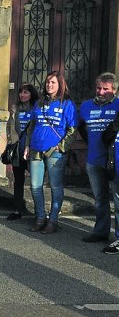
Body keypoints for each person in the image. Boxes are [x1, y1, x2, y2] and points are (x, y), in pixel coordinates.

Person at [24, 71, 77, 235]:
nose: (49, 85)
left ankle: (53, 221)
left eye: (53, 82)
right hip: (36, 149)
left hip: (55, 152)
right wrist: (27, 145)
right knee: (35, 186)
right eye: (47, 82)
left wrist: (61, 147)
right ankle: (40, 218)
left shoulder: (67, 104)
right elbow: (32, 126)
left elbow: (72, 130)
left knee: (55, 186)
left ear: (60, 84)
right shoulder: (39, 102)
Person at [78, 72, 119, 243]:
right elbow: (81, 127)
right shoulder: (86, 106)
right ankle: (101, 232)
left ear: (114, 90)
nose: (101, 92)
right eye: (98, 88)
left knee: (118, 199)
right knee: (100, 199)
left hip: (116, 162)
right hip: (94, 160)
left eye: (105, 89)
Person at [5, 83, 39, 220]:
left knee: (36, 182)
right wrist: (10, 141)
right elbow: (9, 127)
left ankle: (39, 212)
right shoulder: (15, 110)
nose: (23, 95)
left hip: (31, 149)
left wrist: (29, 145)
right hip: (17, 150)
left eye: (26, 92)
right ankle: (19, 209)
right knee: (18, 181)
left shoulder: (36, 109)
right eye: (21, 92)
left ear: (32, 94)